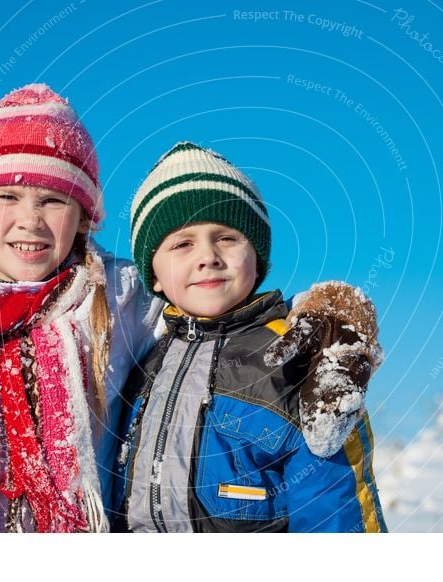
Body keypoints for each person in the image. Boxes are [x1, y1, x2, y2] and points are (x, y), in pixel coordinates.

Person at [0, 86, 378, 533]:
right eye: (7, 198)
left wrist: (330, 319)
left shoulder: (116, 299)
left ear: (84, 217)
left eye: (53, 200)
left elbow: (215, 312)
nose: (31, 220)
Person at [115, 142, 387, 532]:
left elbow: (334, 510)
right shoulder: (142, 360)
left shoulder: (298, 356)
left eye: (226, 237)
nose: (207, 256)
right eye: (182, 244)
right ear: (153, 274)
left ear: (256, 257)